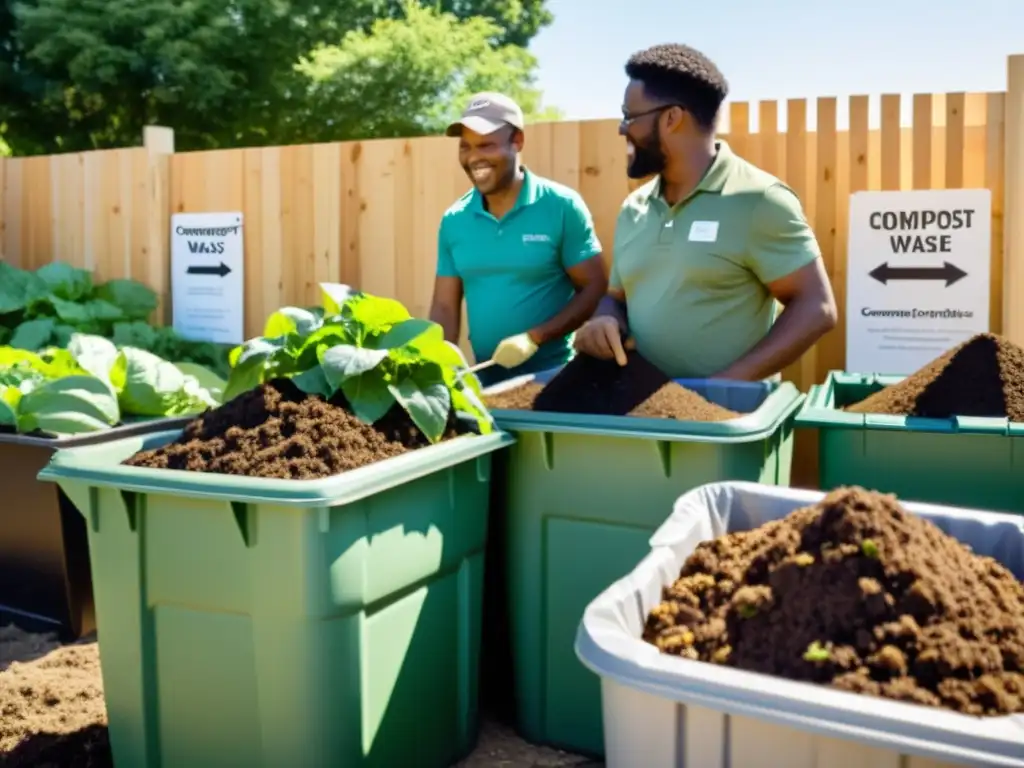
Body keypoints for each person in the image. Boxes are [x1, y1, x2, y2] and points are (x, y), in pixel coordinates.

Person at [574, 44, 837, 381]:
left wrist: (721, 388)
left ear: (671, 118)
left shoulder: (759, 200)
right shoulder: (634, 209)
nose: (622, 128)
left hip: (724, 425)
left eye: (629, 116)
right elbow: (617, 297)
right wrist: (605, 319)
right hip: (639, 416)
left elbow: (817, 308)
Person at [429, 92, 608, 386]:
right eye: (466, 147)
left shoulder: (561, 206)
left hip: (554, 380)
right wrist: (437, 370)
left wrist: (536, 337)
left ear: (518, 141)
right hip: (485, 382)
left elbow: (595, 286)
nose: (474, 157)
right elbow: (445, 306)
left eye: (486, 145)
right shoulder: (454, 221)